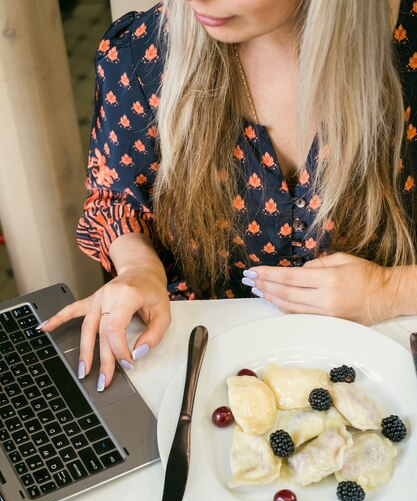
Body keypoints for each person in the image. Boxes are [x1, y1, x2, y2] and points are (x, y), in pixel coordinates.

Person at [39, 0, 417, 390]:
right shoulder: (142, 54)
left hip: (386, 374)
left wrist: (388, 291)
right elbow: (116, 197)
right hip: (204, 372)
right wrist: (138, 266)